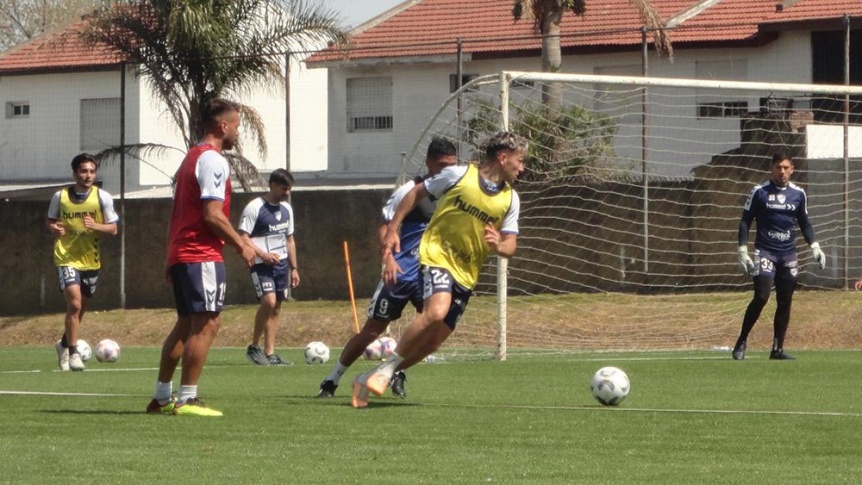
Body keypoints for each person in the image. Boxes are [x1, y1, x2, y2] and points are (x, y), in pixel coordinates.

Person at [350, 131, 527, 408]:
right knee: (435, 311)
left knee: (433, 342)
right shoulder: (458, 175)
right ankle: (386, 371)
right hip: (436, 254)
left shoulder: (510, 199)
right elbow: (415, 192)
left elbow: (511, 245)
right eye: (520, 160)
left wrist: (498, 245)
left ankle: (369, 376)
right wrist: (394, 229)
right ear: (503, 158)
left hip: (466, 272)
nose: (522, 166)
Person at [317, 137, 457, 399]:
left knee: (431, 329)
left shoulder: (456, 193)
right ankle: (331, 379)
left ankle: (395, 372)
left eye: (451, 165)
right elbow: (385, 225)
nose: (446, 170)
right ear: (428, 162)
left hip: (431, 273)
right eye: (441, 165)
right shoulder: (411, 191)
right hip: (401, 273)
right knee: (371, 331)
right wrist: (388, 259)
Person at [146, 98, 256, 417]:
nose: (238, 131)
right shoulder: (213, 161)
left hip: (183, 252)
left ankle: (162, 397)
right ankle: (188, 399)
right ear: (223, 126)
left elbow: (182, 212)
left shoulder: (190, 158)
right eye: (236, 125)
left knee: (185, 324)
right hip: (201, 253)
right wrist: (242, 245)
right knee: (207, 323)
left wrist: (172, 257)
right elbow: (212, 215)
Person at [733, 152, 826, 361]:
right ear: (772, 169)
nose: (782, 171)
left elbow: (804, 222)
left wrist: (815, 246)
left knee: (785, 301)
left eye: (785, 168)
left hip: (788, 255)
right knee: (762, 296)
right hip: (765, 252)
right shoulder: (759, 192)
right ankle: (741, 341)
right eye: (778, 167)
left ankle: (777, 349)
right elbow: (745, 221)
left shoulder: (799, 194)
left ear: (792, 169)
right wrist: (742, 251)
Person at [46, 153, 119, 372]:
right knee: (75, 304)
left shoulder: (102, 197)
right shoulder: (60, 197)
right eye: (83, 171)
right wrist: (54, 228)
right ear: (75, 173)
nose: (88, 175)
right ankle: (73, 352)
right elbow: (50, 220)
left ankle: (63, 345)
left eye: (91, 171)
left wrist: (95, 226)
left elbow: (113, 228)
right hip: (66, 256)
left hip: (90, 259)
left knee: (80, 310)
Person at [240, 168, 300, 366]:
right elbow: (243, 237)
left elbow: (289, 239)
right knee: (268, 301)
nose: (287, 193)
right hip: (261, 264)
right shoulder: (255, 207)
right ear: (273, 185)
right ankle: (254, 347)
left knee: (276, 307)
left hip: (281, 264)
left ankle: (270, 353)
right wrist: (263, 255)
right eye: (284, 188)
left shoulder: (287, 209)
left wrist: (294, 268)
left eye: (290, 189)